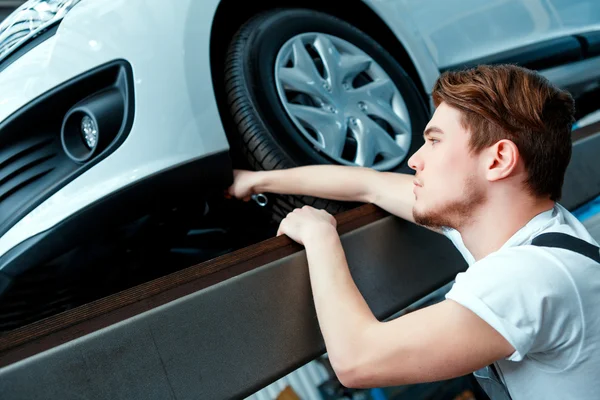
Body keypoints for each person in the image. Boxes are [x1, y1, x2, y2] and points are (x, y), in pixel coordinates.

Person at [226, 64, 600, 399]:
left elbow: (358, 360)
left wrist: (321, 236)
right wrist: (259, 180)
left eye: (435, 141)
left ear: (498, 160)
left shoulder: (530, 276)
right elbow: (368, 185)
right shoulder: (524, 226)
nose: (414, 159)